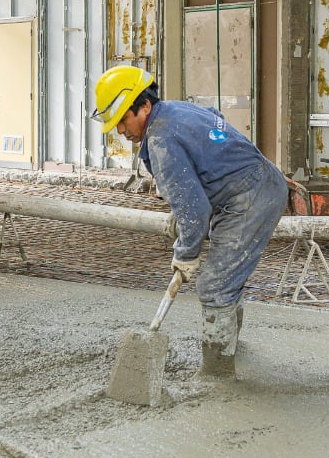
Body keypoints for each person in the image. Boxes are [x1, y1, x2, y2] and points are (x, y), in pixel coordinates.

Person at [91, 66, 288, 377]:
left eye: (122, 121)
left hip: (251, 198)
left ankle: (217, 372)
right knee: (225, 276)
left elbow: (194, 212)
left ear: (143, 106)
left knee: (215, 283)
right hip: (253, 185)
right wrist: (184, 214)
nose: (121, 132)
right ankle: (230, 343)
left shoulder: (161, 141)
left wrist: (185, 253)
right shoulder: (174, 111)